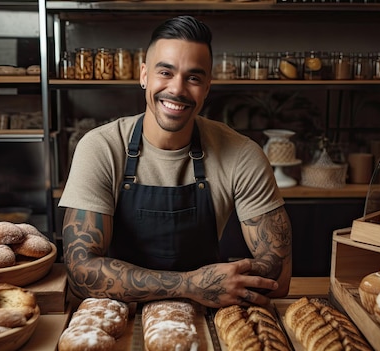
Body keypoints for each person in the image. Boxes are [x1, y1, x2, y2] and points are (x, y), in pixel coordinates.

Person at [59, 15, 292, 308]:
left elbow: (279, 277)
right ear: (144, 75)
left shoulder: (241, 153)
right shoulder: (101, 147)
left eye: (193, 78)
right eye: (165, 72)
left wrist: (225, 283)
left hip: (207, 315)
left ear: (207, 87)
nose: (178, 89)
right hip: (115, 312)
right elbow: (80, 274)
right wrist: (191, 285)